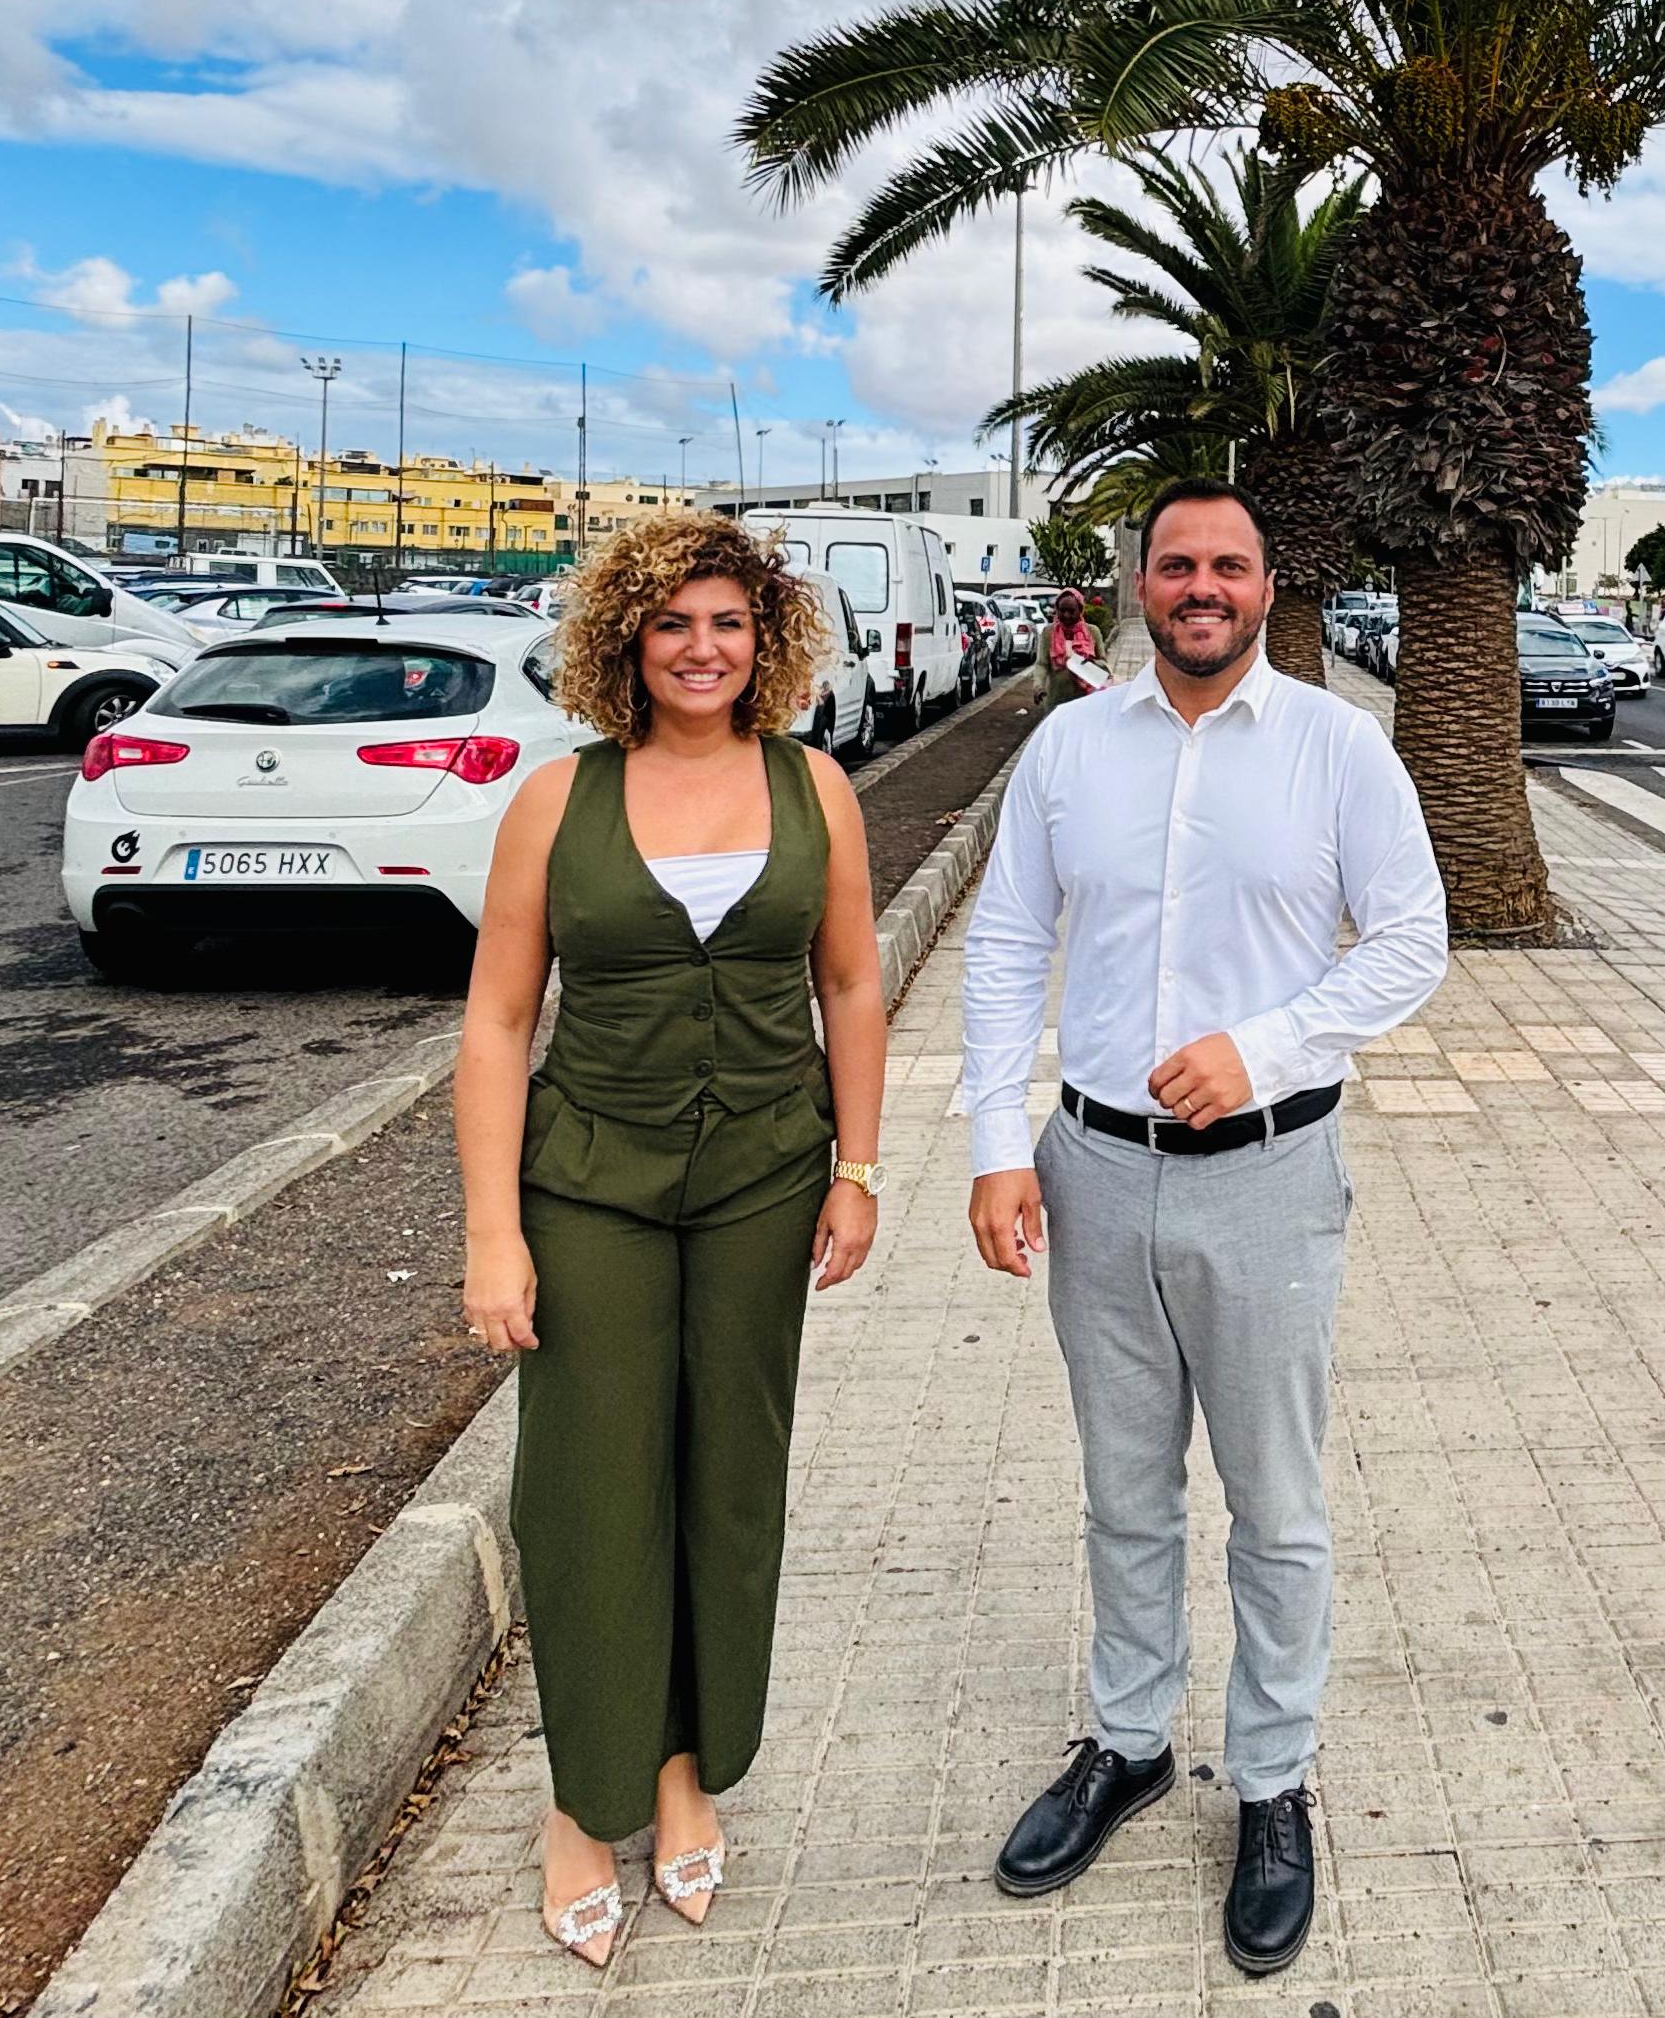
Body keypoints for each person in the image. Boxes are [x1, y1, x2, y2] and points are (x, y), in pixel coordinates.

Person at [960, 479, 1446, 1977]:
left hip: (1268, 1172)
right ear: (1142, 581)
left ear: (1265, 580)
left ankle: (1275, 1778)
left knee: (1278, 1504)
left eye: (1228, 563)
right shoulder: (1068, 745)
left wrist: (1271, 1042)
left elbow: (1414, 939)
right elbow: (999, 939)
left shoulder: (1335, 744)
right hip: (1093, 1166)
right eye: (1176, 562)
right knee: (1125, 1488)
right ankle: (1126, 1741)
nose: (1201, 585)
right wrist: (997, 1142)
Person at [452, 511, 889, 1967]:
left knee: (727, 1481)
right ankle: (584, 1798)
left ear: (765, 641)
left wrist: (861, 1168)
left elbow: (851, 987)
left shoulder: (812, 782)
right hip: (591, 1187)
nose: (704, 649)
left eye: (731, 623)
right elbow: (501, 1020)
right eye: (675, 624)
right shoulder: (556, 801)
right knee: (586, 1489)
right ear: (626, 641)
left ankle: (686, 1770)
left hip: (767, 1182)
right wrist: (493, 1233)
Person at [1037, 585, 1104, 700]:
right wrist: (1038, 686)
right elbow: (1042, 664)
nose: (1066, 615)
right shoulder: (1048, 633)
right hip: (1056, 699)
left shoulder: (1092, 632)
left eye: (1071, 611)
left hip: (1086, 699)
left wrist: (1091, 663)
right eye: (1062, 610)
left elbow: (1103, 661)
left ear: (1080, 610)